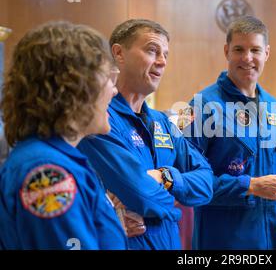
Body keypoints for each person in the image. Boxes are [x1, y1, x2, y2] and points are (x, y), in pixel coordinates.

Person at [77, 19, 214, 250]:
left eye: (165, 55)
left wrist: (165, 176)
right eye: (152, 50)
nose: (161, 62)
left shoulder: (163, 122)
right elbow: (143, 196)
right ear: (119, 53)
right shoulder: (98, 119)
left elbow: (207, 183)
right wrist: (173, 206)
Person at [0, 21, 127, 249]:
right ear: (72, 87)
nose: (114, 89)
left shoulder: (60, 159)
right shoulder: (47, 174)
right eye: (107, 77)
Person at [184, 15, 276, 250]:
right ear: (226, 51)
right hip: (224, 238)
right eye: (239, 49)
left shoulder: (274, 107)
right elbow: (190, 181)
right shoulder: (199, 105)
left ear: (267, 53)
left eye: (255, 50)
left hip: (273, 234)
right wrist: (250, 185)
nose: (247, 58)